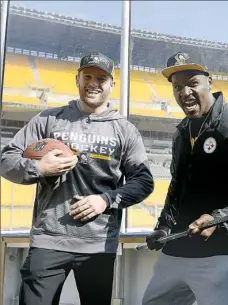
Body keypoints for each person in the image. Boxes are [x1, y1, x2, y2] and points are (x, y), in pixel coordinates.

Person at [0, 52, 155, 305]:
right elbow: (6, 160)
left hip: (98, 245)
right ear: (77, 79)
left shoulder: (124, 129)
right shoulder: (48, 119)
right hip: (48, 240)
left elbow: (144, 181)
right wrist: (39, 167)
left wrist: (106, 200)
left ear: (111, 85)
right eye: (88, 76)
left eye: (101, 78)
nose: (94, 83)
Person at [142, 52, 228, 305]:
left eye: (192, 83)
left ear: (210, 82)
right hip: (178, 250)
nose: (185, 93)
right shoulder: (182, 132)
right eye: (177, 87)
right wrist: (163, 226)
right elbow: (177, 187)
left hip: (226, 253)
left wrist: (220, 219)